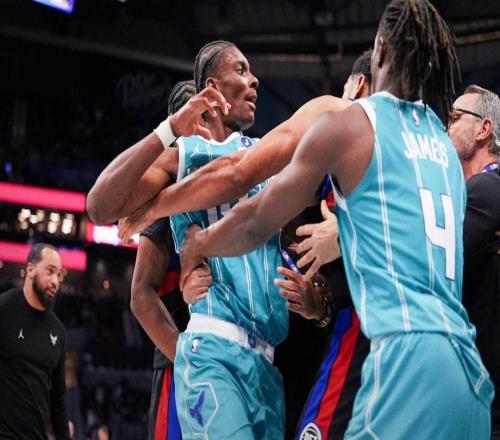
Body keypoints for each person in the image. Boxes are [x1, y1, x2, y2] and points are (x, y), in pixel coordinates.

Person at [178, 1, 494, 438]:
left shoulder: (353, 121)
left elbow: (254, 218)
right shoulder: (444, 151)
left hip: (402, 357)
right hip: (467, 372)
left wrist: (198, 243)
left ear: (379, 51)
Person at [89, 41, 288, 439]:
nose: (254, 80)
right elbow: (99, 205)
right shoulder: (185, 155)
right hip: (212, 348)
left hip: (266, 364)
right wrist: (168, 130)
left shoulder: (264, 152)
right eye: (241, 70)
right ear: (212, 89)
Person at [131, 80, 211, 440]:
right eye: (203, 118)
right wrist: (186, 360)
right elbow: (140, 295)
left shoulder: (228, 186)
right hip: (182, 369)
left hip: (230, 362)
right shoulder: (168, 197)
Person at [448, 84, 500, 438]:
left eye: (454, 118)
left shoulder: (485, 189)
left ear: (484, 129)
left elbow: (431, 263)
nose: (446, 127)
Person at [0, 243, 70, 440]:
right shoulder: (4, 310)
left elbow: (58, 402)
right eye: (50, 271)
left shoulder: (58, 331)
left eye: (59, 275)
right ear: (30, 269)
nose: (55, 281)